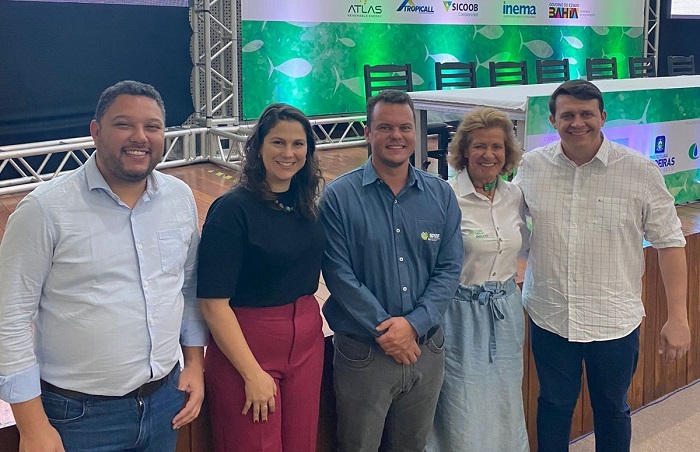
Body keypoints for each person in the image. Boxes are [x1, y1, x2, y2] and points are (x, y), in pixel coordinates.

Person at [0, 80, 208, 451]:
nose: (140, 137)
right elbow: (9, 319)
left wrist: (194, 363)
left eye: (153, 126)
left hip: (165, 403)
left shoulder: (178, 198)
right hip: (77, 418)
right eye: (124, 124)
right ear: (96, 132)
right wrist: (31, 426)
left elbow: (189, 286)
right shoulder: (44, 210)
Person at [513, 79, 691, 452]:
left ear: (603, 117)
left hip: (613, 320)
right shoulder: (531, 166)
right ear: (552, 120)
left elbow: (670, 242)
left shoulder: (640, 171)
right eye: (567, 115)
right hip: (550, 315)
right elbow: (510, 224)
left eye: (586, 114)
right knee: (553, 406)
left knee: (612, 411)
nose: (577, 123)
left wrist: (678, 317)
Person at [320, 89, 463, 451]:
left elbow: (449, 269)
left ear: (415, 132)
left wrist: (413, 325)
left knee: (411, 446)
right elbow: (338, 274)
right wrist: (389, 330)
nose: (396, 136)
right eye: (385, 127)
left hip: (425, 350)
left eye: (404, 127)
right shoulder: (338, 196)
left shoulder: (441, 195)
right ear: (368, 133)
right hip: (364, 354)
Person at [197, 103, 326, 452]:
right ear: (258, 148)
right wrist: (251, 373)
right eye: (278, 143)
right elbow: (212, 304)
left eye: (298, 144)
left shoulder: (305, 203)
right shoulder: (231, 211)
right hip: (247, 347)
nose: (288, 153)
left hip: (306, 345)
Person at [427, 107, 530, 451]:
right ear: (464, 151)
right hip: (459, 313)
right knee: (461, 403)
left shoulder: (515, 196)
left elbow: (526, 246)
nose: (489, 155)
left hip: (505, 311)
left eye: (497, 147)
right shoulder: (445, 197)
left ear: (508, 152)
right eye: (480, 146)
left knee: (504, 399)